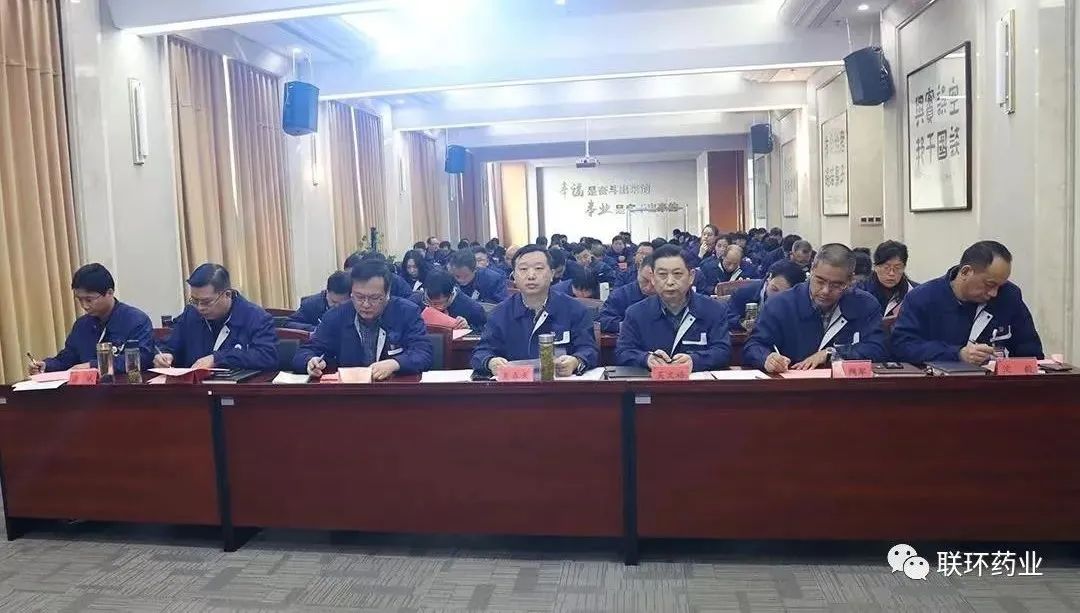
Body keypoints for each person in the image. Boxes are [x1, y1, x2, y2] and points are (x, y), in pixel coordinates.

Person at [892, 241, 1043, 365]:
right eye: (989, 284)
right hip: (940, 386)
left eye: (1000, 286)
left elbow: (1031, 351)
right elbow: (903, 347)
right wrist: (956, 354)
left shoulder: (1008, 296)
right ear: (965, 272)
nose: (994, 293)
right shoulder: (922, 298)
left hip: (998, 386)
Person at [742, 244, 887, 373]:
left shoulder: (865, 304)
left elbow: (877, 348)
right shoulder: (781, 304)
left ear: (850, 280)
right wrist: (767, 358)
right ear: (811, 270)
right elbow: (754, 345)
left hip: (847, 389)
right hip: (792, 387)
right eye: (820, 281)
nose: (825, 291)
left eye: (837, 285)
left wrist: (832, 354)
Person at [470, 245, 598, 376]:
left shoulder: (574, 310)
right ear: (514, 276)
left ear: (552, 274)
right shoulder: (500, 313)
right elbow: (481, 352)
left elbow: (589, 349)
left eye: (539, 268)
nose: (531, 275)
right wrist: (490, 362)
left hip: (560, 384)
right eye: (523, 269)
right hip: (515, 385)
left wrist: (576, 361)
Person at [296, 260, 433, 380]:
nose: (366, 304)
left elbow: (423, 352)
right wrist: (310, 361)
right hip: (348, 393)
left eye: (374, 298)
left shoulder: (407, 312)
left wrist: (395, 363)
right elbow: (305, 351)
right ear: (351, 293)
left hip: (395, 393)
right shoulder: (336, 316)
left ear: (387, 294)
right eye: (359, 297)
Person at [616, 245, 732, 372]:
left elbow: (723, 351)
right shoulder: (635, 313)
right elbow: (623, 352)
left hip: (697, 382)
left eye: (677, 274)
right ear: (653, 278)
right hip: (652, 382)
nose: (670, 281)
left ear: (691, 276)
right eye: (662, 275)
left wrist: (695, 360)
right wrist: (646, 359)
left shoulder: (714, 310)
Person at [28, 263, 154, 375]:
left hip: (123, 389)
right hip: (87, 390)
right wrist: (47, 366)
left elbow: (143, 359)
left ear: (109, 293)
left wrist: (93, 366)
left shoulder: (136, 321)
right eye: (79, 299)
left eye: (89, 300)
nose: (84, 306)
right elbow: (67, 358)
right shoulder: (82, 325)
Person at [155, 264, 277, 370]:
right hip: (195, 387)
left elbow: (267, 356)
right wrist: (165, 355)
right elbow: (169, 345)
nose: (200, 308)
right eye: (195, 301)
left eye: (206, 302)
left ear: (227, 294)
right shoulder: (191, 314)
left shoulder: (256, 318)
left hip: (238, 388)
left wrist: (218, 358)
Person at [726, 260, 806, 332]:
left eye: (784, 294)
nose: (776, 297)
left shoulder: (800, 300)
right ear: (769, 277)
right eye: (774, 289)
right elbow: (726, 317)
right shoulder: (745, 292)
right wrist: (742, 322)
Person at [857, 240, 918, 319]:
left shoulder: (915, 292)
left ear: (904, 267)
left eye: (897, 268)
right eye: (886, 267)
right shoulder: (860, 292)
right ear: (875, 267)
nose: (891, 273)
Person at [408, 270, 487, 330]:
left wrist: (468, 328)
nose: (434, 308)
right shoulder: (414, 303)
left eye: (439, 304)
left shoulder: (472, 309)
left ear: (451, 295)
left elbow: (484, 334)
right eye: (429, 302)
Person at [598, 256, 655, 332]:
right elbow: (603, 320)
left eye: (654, 283)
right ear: (638, 271)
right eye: (644, 280)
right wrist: (628, 326)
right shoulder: (621, 295)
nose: (648, 287)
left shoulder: (668, 296)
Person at [285, 271, 352, 332]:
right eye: (334, 302)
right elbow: (288, 323)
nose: (338, 306)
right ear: (327, 292)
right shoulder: (311, 305)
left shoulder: (355, 305)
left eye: (342, 304)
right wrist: (316, 329)